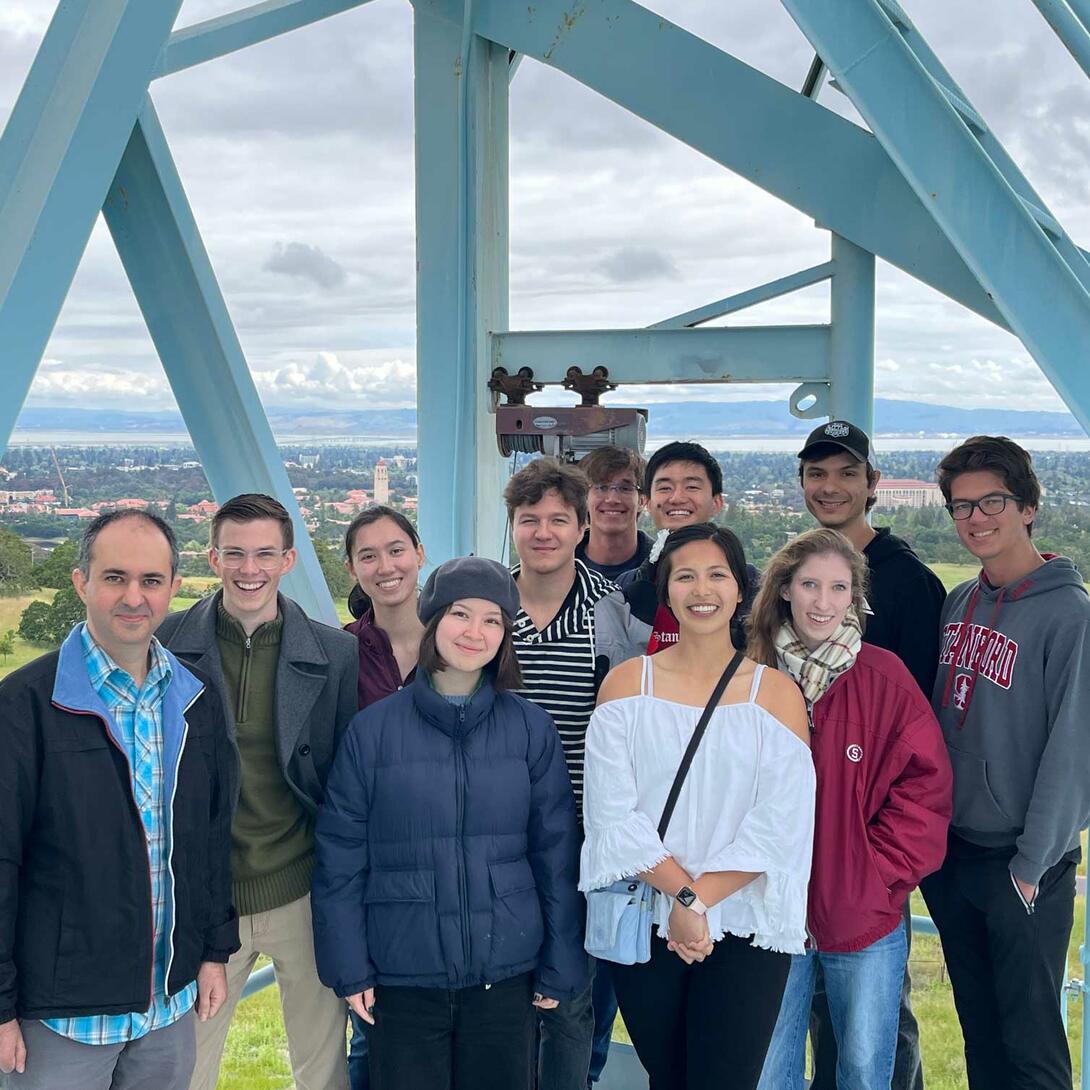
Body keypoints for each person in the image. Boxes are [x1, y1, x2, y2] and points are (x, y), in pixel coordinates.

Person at [311, 557, 588, 1090]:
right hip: (401, 972)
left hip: (507, 971)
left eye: (492, 620)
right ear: (433, 620)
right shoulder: (372, 732)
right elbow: (340, 857)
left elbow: (556, 854)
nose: (475, 632)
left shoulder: (530, 729)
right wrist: (349, 966)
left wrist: (560, 959)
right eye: (461, 614)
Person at [0, 511, 238, 1090]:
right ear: (81, 582)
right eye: (114, 578)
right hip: (61, 1017)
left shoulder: (196, 699)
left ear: (174, 589)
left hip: (168, 1006)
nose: (134, 597)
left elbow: (209, 840)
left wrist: (212, 952)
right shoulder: (23, 707)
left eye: (151, 581)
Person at [581, 522, 815, 1090]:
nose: (701, 589)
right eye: (685, 576)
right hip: (648, 912)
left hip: (743, 922)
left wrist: (700, 900)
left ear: (741, 590)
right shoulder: (624, 686)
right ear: (666, 592)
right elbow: (612, 813)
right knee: (669, 1077)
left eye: (717, 574)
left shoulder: (776, 695)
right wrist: (682, 896)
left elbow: (782, 820)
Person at [157, 494, 359, 1090]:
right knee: (187, 1067)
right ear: (213, 557)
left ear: (288, 558)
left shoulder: (336, 652)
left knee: (321, 1069)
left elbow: (344, 783)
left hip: (300, 887)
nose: (251, 569)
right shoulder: (165, 646)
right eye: (236, 554)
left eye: (265, 554)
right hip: (206, 895)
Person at [749, 528, 951, 1090]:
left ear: (855, 597)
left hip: (864, 915)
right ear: (784, 588)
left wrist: (874, 873)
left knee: (864, 1071)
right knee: (770, 1071)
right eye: (809, 584)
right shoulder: (752, 675)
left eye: (838, 588)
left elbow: (925, 788)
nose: (822, 601)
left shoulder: (884, 677)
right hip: (768, 910)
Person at [921, 436, 1090, 1090]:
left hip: (1024, 866)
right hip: (956, 855)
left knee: (1033, 1050)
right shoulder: (961, 601)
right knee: (982, 1039)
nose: (975, 519)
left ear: (1027, 506)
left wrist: (1029, 868)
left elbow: (1074, 752)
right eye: (961, 507)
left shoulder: (1070, 615)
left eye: (991, 501)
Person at [797, 419, 946, 1090]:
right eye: (817, 473)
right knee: (804, 1027)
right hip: (799, 866)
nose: (831, 487)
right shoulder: (797, 576)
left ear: (872, 485)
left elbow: (916, 743)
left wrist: (878, 866)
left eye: (846, 473)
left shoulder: (907, 583)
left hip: (862, 857)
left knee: (874, 1038)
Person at [503, 457, 650, 1088]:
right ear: (510, 525)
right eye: (528, 519)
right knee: (506, 995)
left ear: (581, 523)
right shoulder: (487, 603)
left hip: (586, 836)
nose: (543, 532)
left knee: (575, 1000)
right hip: (498, 835)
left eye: (558, 519)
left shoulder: (611, 612)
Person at [340, 505, 426, 1088]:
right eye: (367, 555)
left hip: (450, 863)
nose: (385, 565)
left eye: (396, 549)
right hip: (371, 874)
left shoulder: (463, 644)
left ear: (419, 554)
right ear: (351, 568)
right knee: (372, 1036)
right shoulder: (337, 653)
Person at [618, 441, 757, 652]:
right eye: (664, 488)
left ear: (717, 502)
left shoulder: (752, 585)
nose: (677, 498)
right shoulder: (629, 586)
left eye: (692, 487)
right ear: (646, 501)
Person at [574, 446, 653, 581]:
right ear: (585, 498)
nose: (612, 499)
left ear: (642, 500)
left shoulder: (663, 569)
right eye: (601, 487)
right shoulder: (558, 567)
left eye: (625, 488)